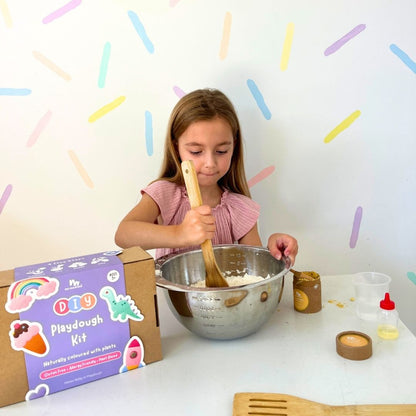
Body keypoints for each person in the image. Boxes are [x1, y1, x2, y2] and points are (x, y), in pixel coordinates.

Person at [115, 88, 298, 265]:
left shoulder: (240, 209)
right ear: (176, 147)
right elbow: (124, 235)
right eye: (196, 151)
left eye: (221, 151)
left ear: (234, 147)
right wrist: (179, 234)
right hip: (174, 297)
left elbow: (257, 270)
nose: (210, 162)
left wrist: (274, 253)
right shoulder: (165, 194)